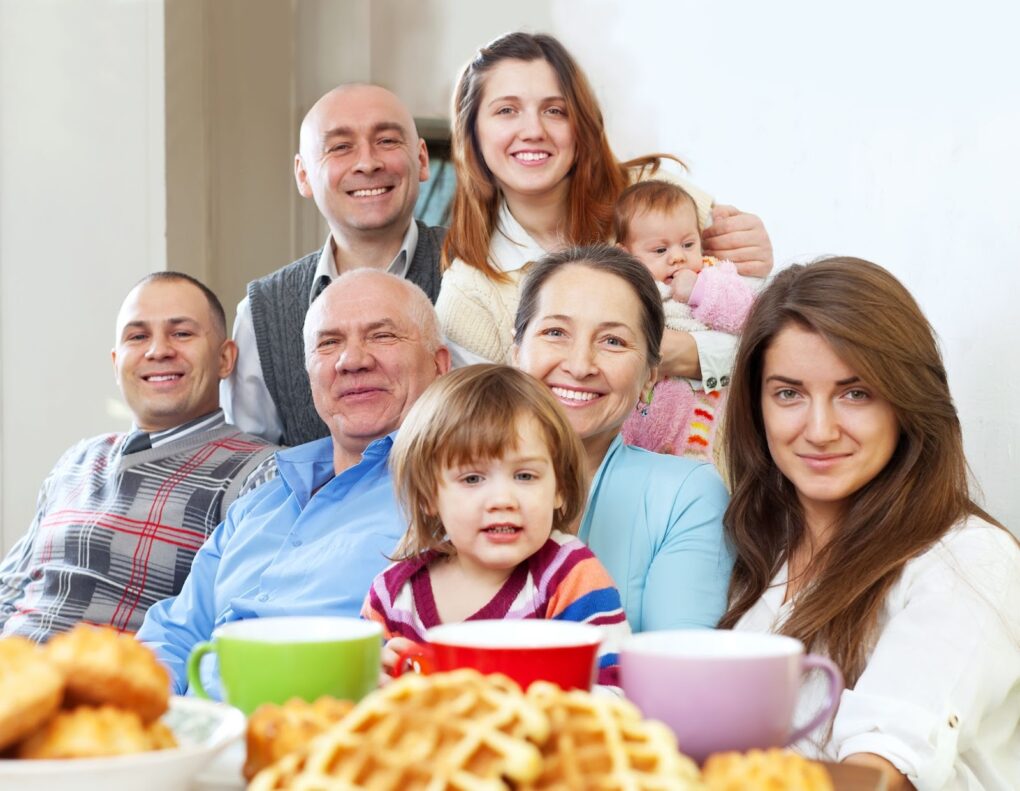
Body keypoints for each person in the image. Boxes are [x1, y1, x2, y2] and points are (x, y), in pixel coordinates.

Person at [719, 257, 1020, 790]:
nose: (819, 429)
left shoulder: (970, 560)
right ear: (756, 405)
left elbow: (878, 778)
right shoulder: (752, 549)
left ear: (906, 403)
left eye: (855, 393)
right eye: (788, 393)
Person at [137, 269, 452, 694]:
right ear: (310, 375)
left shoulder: (450, 498)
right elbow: (173, 634)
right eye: (329, 342)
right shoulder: (260, 502)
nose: (352, 360)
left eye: (382, 336)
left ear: (440, 365)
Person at [435, 30, 772, 395]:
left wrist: (688, 350)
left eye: (555, 110)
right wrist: (655, 352)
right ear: (472, 131)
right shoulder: (467, 294)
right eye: (506, 110)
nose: (533, 130)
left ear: (581, 123)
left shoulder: (659, 196)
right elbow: (493, 428)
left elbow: (768, 340)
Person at [0, 272, 276, 641]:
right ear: (116, 363)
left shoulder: (259, 473)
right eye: (138, 336)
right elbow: (9, 592)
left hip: (114, 689)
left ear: (225, 359)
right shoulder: (77, 460)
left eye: (181, 333)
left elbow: (238, 630)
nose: (158, 350)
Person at [363, 364, 629, 686]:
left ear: (559, 487)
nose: (502, 500)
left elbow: (616, 691)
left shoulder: (570, 577)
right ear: (428, 496)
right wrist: (377, 683)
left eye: (525, 476)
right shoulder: (392, 595)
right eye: (472, 478)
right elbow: (356, 704)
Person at [512, 245, 732, 632]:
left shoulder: (686, 494)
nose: (580, 366)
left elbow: (678, 670)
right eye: (555, 332)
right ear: (516, 355)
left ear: (650, 375)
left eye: (613, 341)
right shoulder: (447, 471)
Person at [223, 84, 445, 447]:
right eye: (340, 147)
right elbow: (254, 466)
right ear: (304, 175)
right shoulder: (262, 314)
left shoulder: (479, 271)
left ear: (421, 159)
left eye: (387, 141)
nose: (367, 162)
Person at [615, 179, 757, 460]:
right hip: (637, 412)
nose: (678, 257)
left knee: (691, 463)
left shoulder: (713, 276)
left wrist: (699, 291)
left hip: (697, 404)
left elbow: (746, 314)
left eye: (688, 244)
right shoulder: (625, 288)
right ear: (625, 255)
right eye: (660, 250)